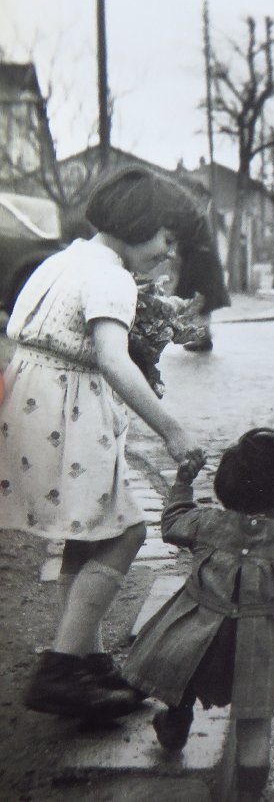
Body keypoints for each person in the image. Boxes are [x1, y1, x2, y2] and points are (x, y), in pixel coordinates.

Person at [0, 165, 205, 719]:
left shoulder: (62, 260)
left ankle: (85, 658)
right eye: (166, 239)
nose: (168, 254)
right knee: (127, 533)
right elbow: (112, 359)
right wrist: (172, 429)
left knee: (87, 531)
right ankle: (62, 668)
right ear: (139, 224)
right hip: (64, 416)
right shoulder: (111, 277)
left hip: (32, 404)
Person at [123, 428, 274, 801]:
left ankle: (176, 723)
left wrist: (182, 483)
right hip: (257, 647)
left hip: (200, 631)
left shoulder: (207, 523)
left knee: (184, 674)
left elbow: (172, 523)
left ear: (226, 488)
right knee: (255, 726)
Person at [175, 211, 231, 352]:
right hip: (203, 267)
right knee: (203, 305)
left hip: (199, 269)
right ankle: (203, 338)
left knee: (200, 304)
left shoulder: (196, 227)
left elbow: (185, 244)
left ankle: (201, 339)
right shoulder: (201, 224)